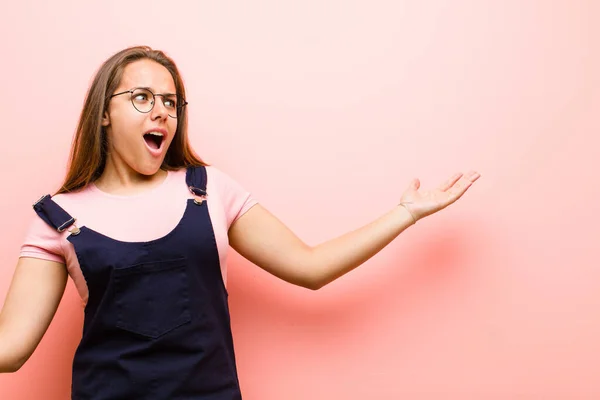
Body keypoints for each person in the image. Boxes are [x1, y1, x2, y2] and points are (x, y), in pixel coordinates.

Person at [0, 46, 480, 399]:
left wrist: (405, 213)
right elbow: (12, 349)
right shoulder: (59, 217)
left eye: (171, 102)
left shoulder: (207, 189)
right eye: (143, 98)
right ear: (104, 112)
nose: (162, 112)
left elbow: (310, 266)